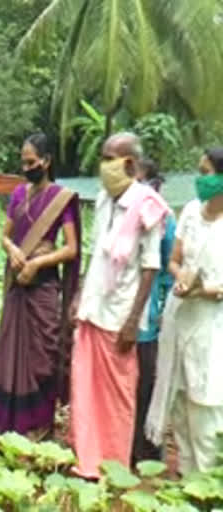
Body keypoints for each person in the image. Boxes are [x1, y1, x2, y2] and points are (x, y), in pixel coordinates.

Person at [70, 132, 170, 479]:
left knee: (116, 396)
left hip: (120, 315)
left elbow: (151, 267)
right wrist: (80, 293)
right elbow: (96, 252)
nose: (104, 165)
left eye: (110, 157)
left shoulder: (147, 207)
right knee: (85, 390)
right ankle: (87, 460)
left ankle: (112, 462)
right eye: (103, 157)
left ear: (129, 163)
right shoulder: (102, 199)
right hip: (94, 308)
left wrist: (133, 321)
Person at [0, 133, 81, 439]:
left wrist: (38, 262)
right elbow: (5, 235)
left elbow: (71, 248)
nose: (26, 167)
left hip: (42, 288)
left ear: (46, 161)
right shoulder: (17, 195)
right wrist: (12, 250)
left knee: (43, 355)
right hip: (18, 285)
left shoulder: (61, 198)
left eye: (31, 162)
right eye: (23, 162)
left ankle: (38, 424)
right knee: (10, 354)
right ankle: (7, 420)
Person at [146, 148, 223, 475]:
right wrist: (181, 279)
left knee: (205, 407)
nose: (200, 178)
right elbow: (174, 260)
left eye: (206, 172)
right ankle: (187, 486)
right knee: (177, 401)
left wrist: (201, 290)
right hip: (181, 315)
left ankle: (209, 488)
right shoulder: (191, 212)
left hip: (211, 322)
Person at [130, 159, 176, 465]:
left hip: (147, 313)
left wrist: (161, 302)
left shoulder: (165, 218)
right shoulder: (124, 214)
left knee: (145, 381)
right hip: (120, 307)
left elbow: (170, 266)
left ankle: (145, 448)